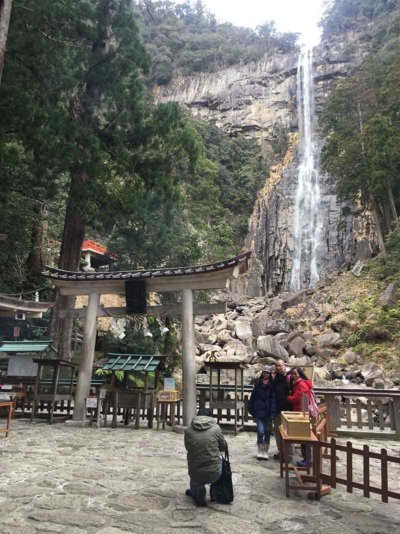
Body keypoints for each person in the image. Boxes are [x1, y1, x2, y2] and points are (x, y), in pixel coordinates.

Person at [184, 408, 227, 506]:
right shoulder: (216, 428)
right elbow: (222, 447)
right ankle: (214, 492)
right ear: (210, 417)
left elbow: (188, 447)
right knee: (219, 461)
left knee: (193, 460)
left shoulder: (188, 430)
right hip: (214, 472)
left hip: (195, 472)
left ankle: (197, 490)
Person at [287, 366, 314, 467]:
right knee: (303, 436)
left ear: (299, 374)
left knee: (304, 437)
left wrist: (289, 397)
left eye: (295, 374)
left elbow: (298, 398)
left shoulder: (301, 384)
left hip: (301, 412)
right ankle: (306, 458)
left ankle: (307, 460)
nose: (293, 376)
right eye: (292, 374)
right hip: (301, 411)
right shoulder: (300, 383)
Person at [248, 366, 276, 460]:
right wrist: (251, 409)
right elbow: (253, 397)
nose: (266, 374)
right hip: (259, 411)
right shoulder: (257, 384)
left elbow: (273, 400)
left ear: (270, 374)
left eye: (267, 373)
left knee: (267, 432)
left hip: (268, 412)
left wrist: (272, 413)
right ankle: (260, 450)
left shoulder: (272, 385)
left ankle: (265, 451)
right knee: (260, 431)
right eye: (264, 372)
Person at [272, 359, 291, 460]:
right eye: (276, 366)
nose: (278, 367)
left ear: (284, 366)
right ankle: (281, 452)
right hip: (277, 410)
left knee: (287, 432)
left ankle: (288, 454)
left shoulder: (288, 378)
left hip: (287, 410)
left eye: (280, 366)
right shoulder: (274, 379)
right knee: (277, 432)